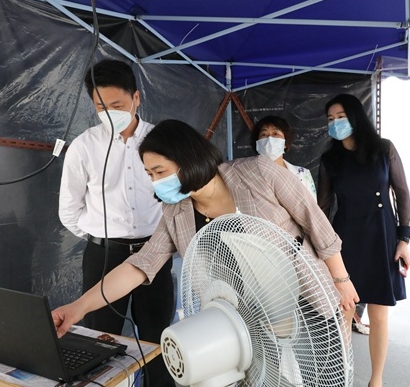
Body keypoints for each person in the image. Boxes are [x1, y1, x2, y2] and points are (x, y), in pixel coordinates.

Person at [54, 119, 360, 383]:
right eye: (149, 175)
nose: (155, 182)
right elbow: (140, 265)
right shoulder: (176, 213)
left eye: (160, 171)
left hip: (302, 299)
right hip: (243, 324)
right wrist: (79, 307)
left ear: (187, 158)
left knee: (321, 376)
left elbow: (315, 222)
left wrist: (341, 280)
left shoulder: (259, 172)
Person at [58, 59, 175, 386]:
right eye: (101, 107)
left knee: (157, 338)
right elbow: (69, 210)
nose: (110, 113)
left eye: (117, 105)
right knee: (98, 340)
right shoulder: (84, 147)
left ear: (136, 98)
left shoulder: (161, 141)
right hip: (104, 256)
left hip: (154, 253)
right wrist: (102, 237)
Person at [317, 94, 410, 387]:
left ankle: (376, 380)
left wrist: (404, 239)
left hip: (383, 236)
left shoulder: (384, 149)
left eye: (341, 117)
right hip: (346, 239)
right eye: (330, 119)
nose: (335, 123)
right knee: (344, 313)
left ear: (356, 116)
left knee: (379, 315)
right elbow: (322, 207)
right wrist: (320, 248)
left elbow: (402, 193)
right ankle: (343, 377)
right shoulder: (330, 159)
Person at [251, 115, 316, 198]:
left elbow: (312, 205)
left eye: (275, 134)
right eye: (264, 134)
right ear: (257, 143)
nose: (269, 138)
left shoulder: (302, 174)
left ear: (285, 143)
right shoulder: (247, 175)